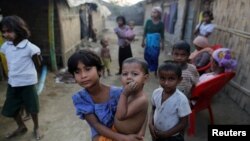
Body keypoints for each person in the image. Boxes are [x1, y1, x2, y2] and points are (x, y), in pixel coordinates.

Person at [69, 50, 143, 141]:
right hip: (102, 136)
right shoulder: (81, 98)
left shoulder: (119, 93)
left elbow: (141, 111)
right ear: (74, 77)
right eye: (77, 72)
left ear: (100, 71)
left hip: (123, 133)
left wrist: (140, 134)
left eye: (87, 69)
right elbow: (96, 124)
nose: (83, 75)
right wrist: (123, 138)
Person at [0, 15, 43, 140]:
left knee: (33, 107)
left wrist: (27, 74)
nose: (6, 34)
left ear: (19, 29)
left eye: (9, 31)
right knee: (11, 108)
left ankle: (36, 127)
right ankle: (21, 126)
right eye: (3, 32)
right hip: (13, 82)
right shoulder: (5, 46)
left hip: (28, 83)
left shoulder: (31, 48)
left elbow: (38, 64)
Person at [97, 57, 149, 141]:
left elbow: (120, 116)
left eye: (135, 74)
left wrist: (124, 94)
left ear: (145, 79)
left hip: (129, 137)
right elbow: (145, 115)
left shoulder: (141, 99)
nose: (129, 77)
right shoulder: (129, 93)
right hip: (117, 133)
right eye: (125, 74)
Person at [149, 60, 191, 141]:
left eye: (171, 79)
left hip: (173, 137)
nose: (166, 83)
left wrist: (167, 134)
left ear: (179, 80)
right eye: (162, 78)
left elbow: (184, 123)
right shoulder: (156, 93)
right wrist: (150, 123)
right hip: (156, 133)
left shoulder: (181, 99)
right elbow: (153, 108)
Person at [142, 6, 164, 77]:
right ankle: (147, 70)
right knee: (147, 56)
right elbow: (145, 32)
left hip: (155, 44)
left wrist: (162, 44)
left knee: (155, 57)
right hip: (148, 43)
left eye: (155, 12)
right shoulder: (148, 21)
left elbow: (162, 35)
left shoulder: (161, 24)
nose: (153, 13)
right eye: (152, 12)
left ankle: (155, 70)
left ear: (159, 14)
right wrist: (143, 41)